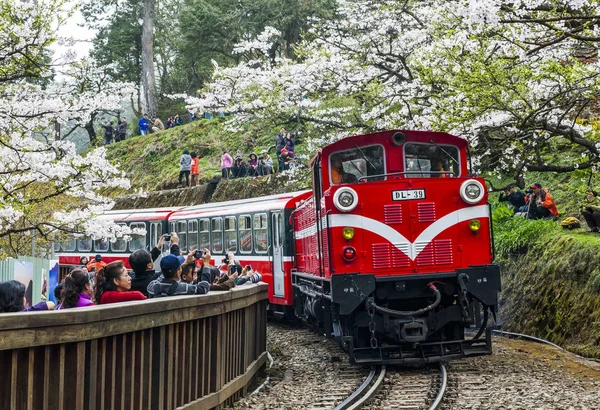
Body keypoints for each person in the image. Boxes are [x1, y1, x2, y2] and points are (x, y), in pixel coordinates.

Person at [146, 252, 211, 297]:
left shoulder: (152, 287)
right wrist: (206, 263)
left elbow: (163, 275)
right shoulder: (183, 288)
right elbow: (204, 287)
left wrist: (182, 265)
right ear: (178, 273)